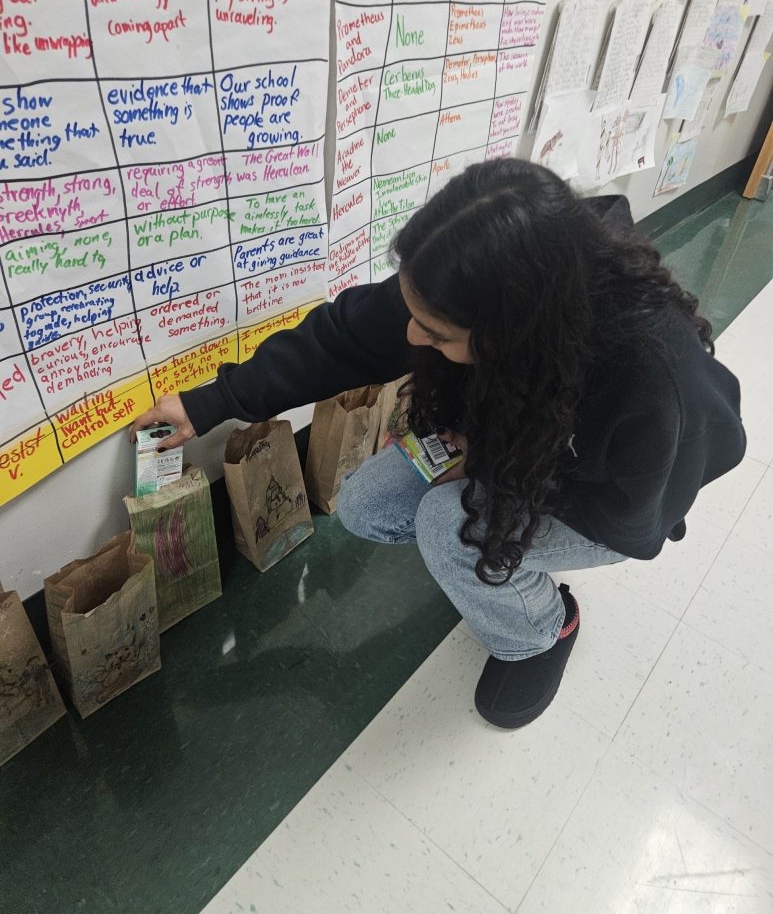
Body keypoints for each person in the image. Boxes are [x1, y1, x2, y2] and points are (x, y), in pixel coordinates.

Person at [131, 159, 745, 729]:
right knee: (364, 504)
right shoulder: (470, 285)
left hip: (609, 501)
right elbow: (341, 338)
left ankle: (541, 630)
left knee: (449, 528)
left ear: (513, 331)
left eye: (437, 333)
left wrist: (502, 474)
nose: (409, 335)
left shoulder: (651, 380)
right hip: (514, 444)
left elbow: (638, 523)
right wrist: (207, 404)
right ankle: (488, 569)